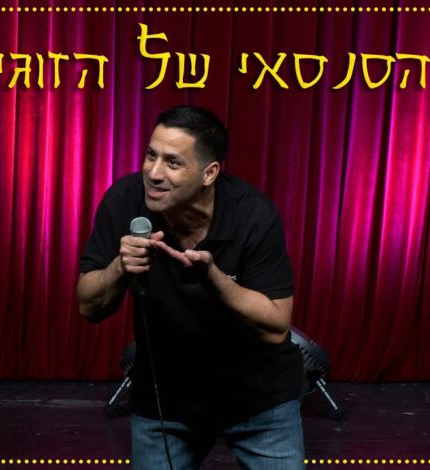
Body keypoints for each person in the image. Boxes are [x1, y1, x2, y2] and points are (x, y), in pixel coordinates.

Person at [77, 105, 305, 469]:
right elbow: (88, 306)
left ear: (209, 173)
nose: (154, 173)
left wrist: (213, 277)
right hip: (165, 402)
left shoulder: (253, 215)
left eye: (173, 162)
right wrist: (120, 266)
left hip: (259, 399)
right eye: (151, 155)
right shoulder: (124, 200)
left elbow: (277, 326)